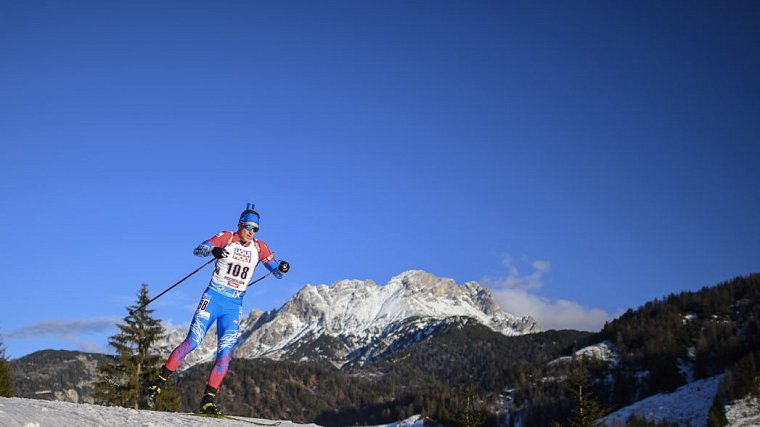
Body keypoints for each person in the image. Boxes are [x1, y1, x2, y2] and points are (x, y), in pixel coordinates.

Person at [146, 203, 289, 414]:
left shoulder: (259, 248)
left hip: (233, 305)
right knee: (192, 342)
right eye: (248, 227)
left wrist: (282, 267)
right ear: (240, 225)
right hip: (213, 297)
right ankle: (157, 384)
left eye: (255, 229)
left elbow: (276, 272)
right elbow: (198, 249)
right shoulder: (226, 237)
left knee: (225, 354)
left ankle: (208, 401)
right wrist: (214, 250)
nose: (251, 232)